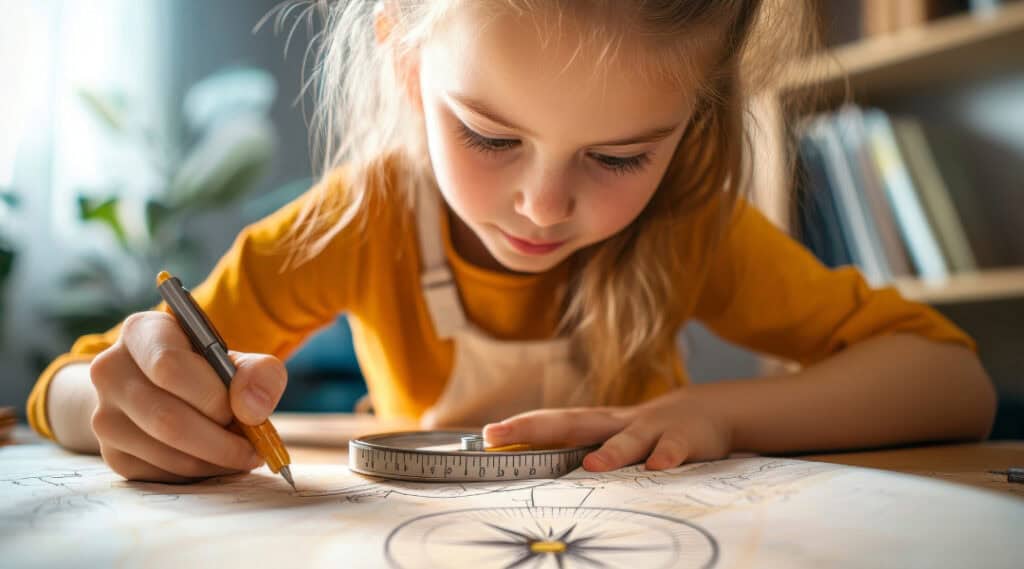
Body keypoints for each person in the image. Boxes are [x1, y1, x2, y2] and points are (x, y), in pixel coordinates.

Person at [27, 0, 995, 483]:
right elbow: (70, 388)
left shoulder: (687, 220)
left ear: (692, 125)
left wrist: (720, 413)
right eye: (490, 137)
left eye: (618, 156)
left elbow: (951, 378)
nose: (542, 205)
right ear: (407, 63)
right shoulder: (360, 218)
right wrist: (126, 400)